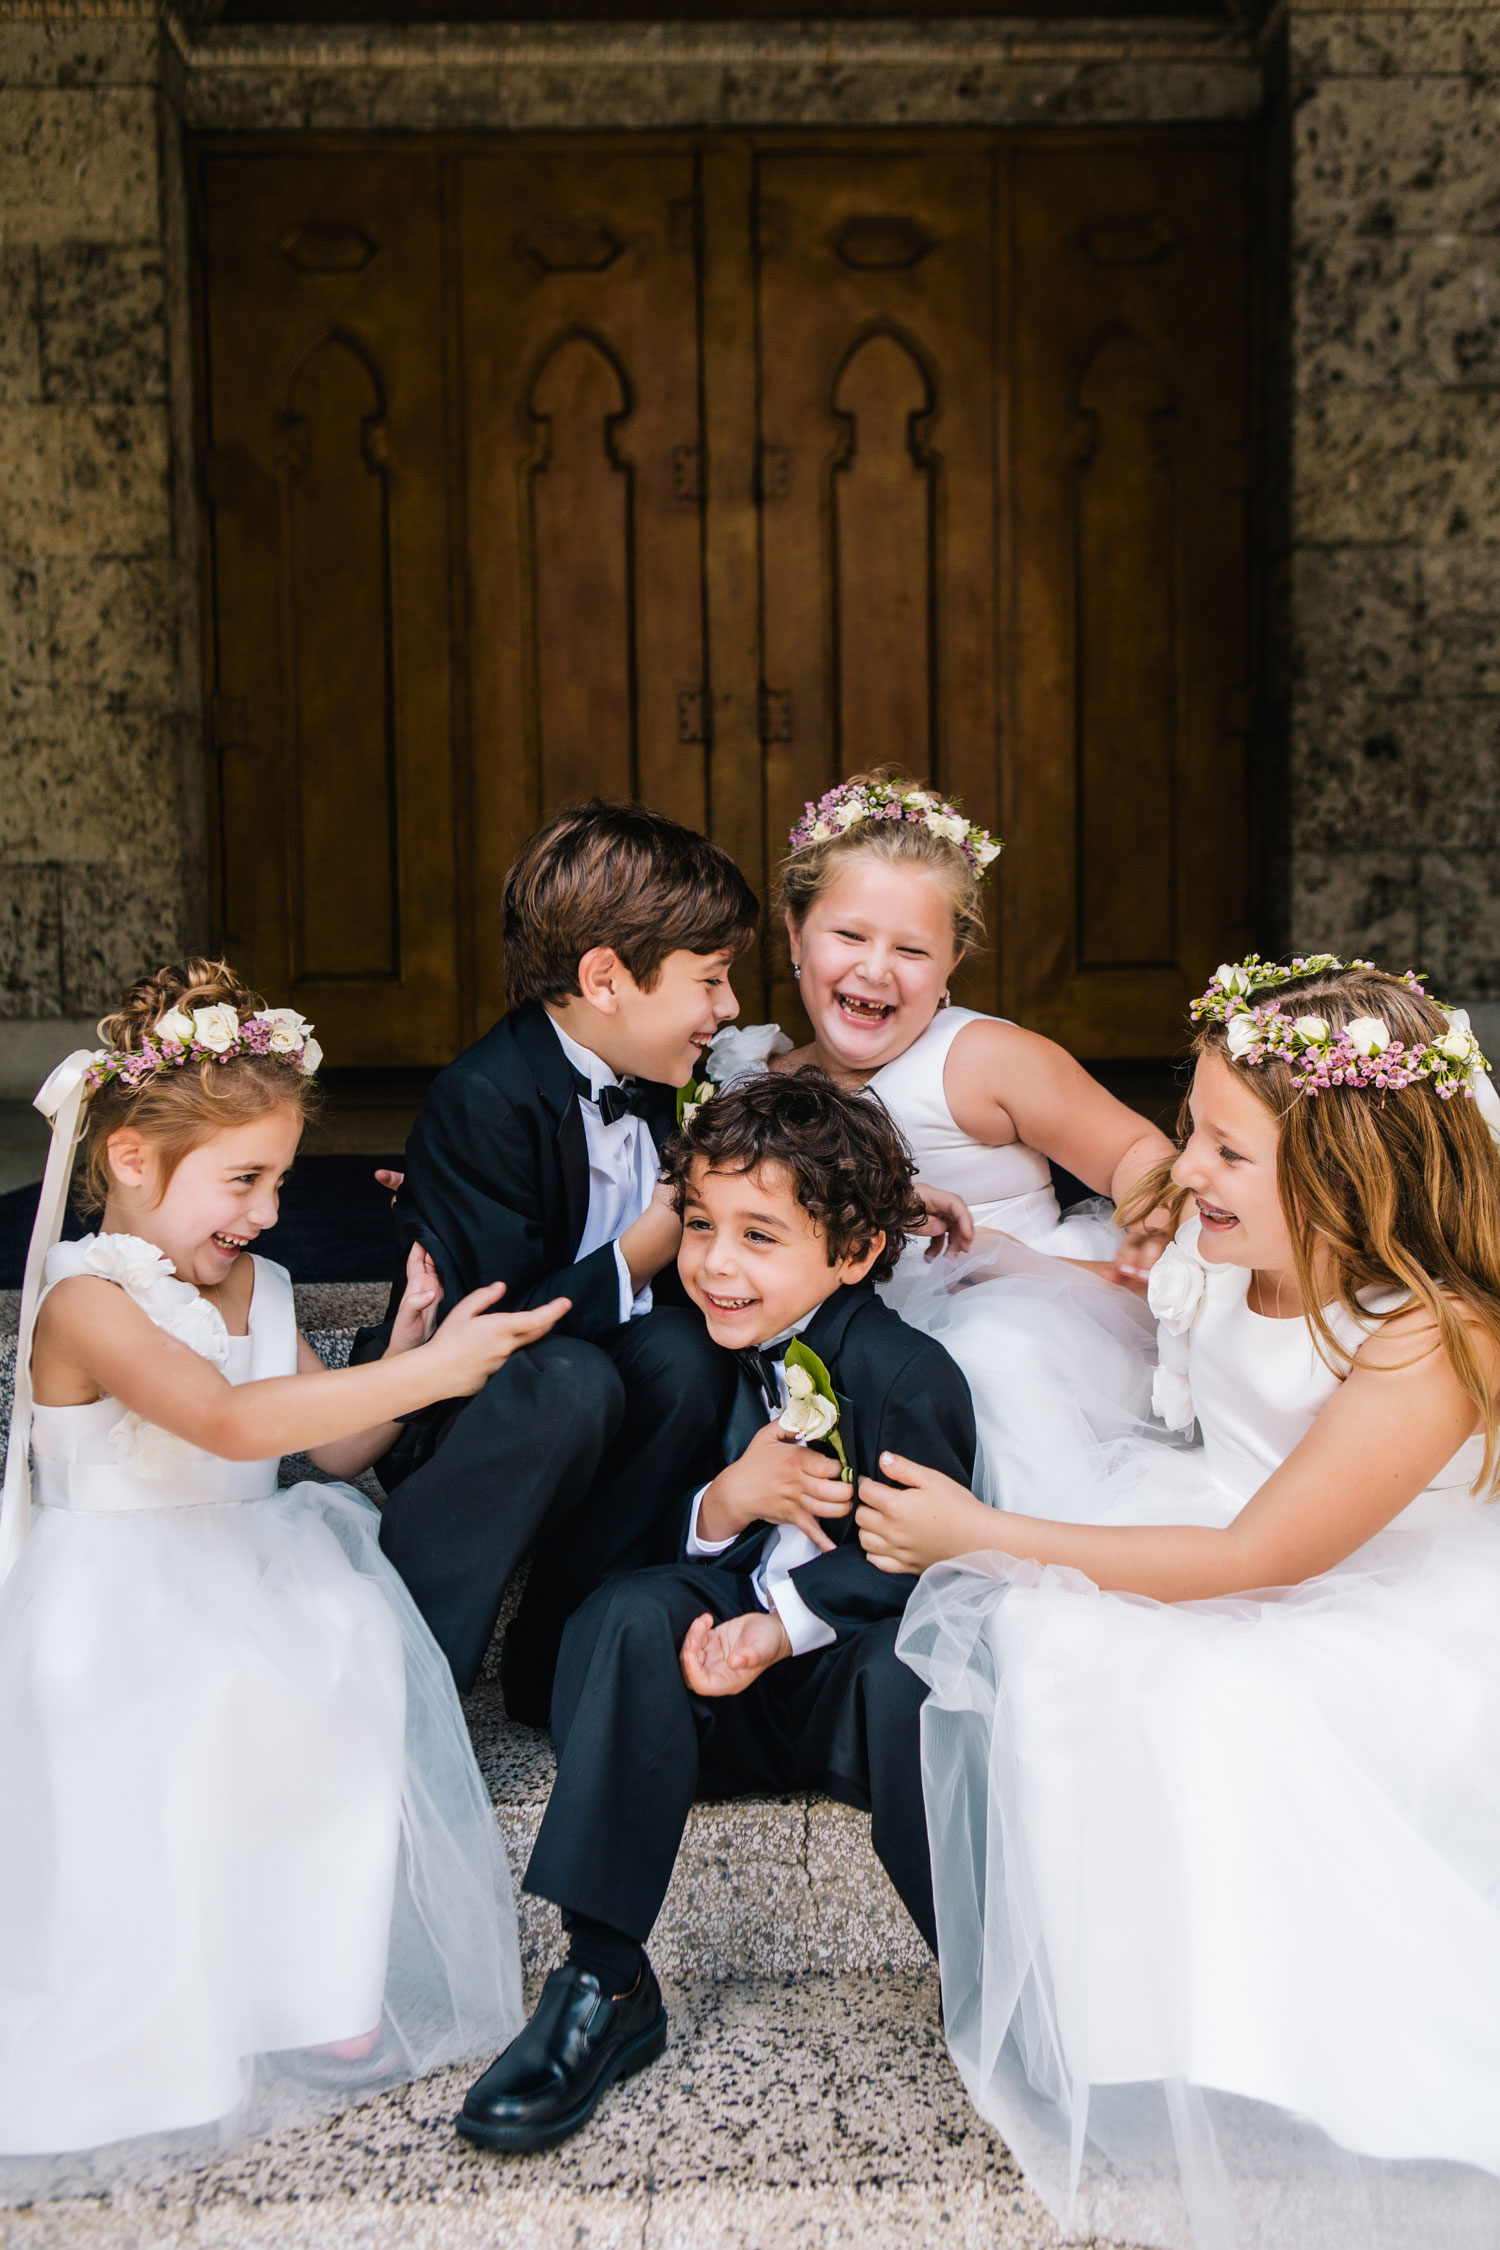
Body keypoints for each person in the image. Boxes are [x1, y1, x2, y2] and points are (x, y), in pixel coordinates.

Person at [857, 956, 1500, 2250]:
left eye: (1226, 1147)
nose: (1181, 1167)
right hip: (1222, 1513)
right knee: (1049, 1644)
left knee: (1208, 1690)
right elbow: (1186, 1388)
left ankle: (1270, 2029)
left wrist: (979, 1530)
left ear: (1345, 1168)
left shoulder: (1427, 1330)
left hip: (1374, 1587)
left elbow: (1268, 1552)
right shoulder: (1223, 1253)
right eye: (1193, 1129)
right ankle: (1133, 2019)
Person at [0, 962, 551, 2199]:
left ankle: (312, 1987)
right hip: (120, 1604)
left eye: (280, 1180)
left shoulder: (265, 1283)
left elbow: (329, 1448)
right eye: (243, 1180)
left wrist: (399, 1350)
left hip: (255, 1568)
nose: (267, 1207)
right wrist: (434, 1378)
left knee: (333, 1681)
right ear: (132, 1159)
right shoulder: (87, 1299)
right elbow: (227, 1423)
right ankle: (170, 2005)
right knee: (192, 1730)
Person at [455, 1071, 977, 2154]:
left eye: (758, 1236)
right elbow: (664, 1535)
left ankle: (987, 1972)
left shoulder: (907, 1373)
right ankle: (600, 1980)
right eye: (699, 1226)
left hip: (838, 1696)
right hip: (710, 1703)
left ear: (854, 1254)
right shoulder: (707, 1355)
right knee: (626, 1614)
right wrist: (725, 1502)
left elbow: (922, 1563)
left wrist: (779, 1624)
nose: (715, 1265)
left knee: (912, 1674)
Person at [351, 800, 760, 1716]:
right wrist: (646, 1246)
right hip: (477, 1408)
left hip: (603, 1382)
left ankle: (559, 1656)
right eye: (712, 979)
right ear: (606, 979)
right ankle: (410, 1683)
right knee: (570, 1379)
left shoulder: (667, 1080)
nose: (728, 1008)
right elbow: (496, 1325)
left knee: (688, 1361)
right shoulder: (486, 1098)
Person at [707, 771, 1177, 1513]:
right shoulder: (756, 1085)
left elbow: (1134, 1154)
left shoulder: (981, 1059)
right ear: (796, 935)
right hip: (844, 1345)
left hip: (1012, 1316)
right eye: (850, 935)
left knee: (986, 1364)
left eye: (913, 951)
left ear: (953, 962)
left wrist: (1147, 1234)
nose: (875, 968)